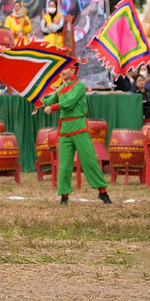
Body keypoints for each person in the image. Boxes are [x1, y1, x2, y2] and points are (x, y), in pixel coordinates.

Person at [42, 63, 112, 205]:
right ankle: (64, 197)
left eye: (65, 68)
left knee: (89, 160)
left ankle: (102, 192)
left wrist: (52, 107)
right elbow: (49, 100)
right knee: (65, 164)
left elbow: (68, 103)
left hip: (79, 127)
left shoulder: (79, 86)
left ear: (72, 70)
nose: (62, 71)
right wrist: (39, 98)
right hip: (64, 130)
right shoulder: (61, 88)